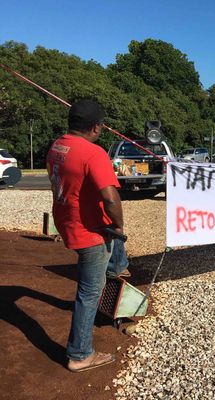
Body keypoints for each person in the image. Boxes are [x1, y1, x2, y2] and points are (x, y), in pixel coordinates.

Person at [46, 99, 125, 372]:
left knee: (115, 252)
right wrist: (119, 225)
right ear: (96, 127)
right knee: (89, 292)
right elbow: (110, 197)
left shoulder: (57, 146)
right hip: (89, 232)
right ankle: (80, 354)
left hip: (67, 221)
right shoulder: (94, 153)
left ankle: (117, 268)